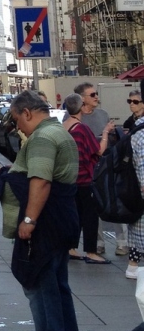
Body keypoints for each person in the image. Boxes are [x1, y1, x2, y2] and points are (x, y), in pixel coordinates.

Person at [1, 91, 81, 331]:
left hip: (47, 221)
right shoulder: (59, 132)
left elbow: (41, 181)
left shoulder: (42, 138)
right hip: (63, 218)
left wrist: (29, 220)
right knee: (59, 287)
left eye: (17, 120)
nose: (18, 128)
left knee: (41, 286)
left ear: (27, 113)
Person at [61, 92, 108, 265]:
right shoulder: (82, 128)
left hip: (68, 178)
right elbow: (98, 151)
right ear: (81, 107)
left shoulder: (63, 126)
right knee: (90, 216)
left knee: (76, 216)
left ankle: (71, 248)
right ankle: (91, 251)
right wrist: (105, 133)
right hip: (84, 179)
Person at [119, 90, 144, 276]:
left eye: (135, 101)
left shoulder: (136, 127)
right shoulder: (141, 131)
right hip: (140, 187)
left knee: (137, 228)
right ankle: (133, 267)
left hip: (134, 186)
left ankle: (133, 265)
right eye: (130, 101)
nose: (132, 105)